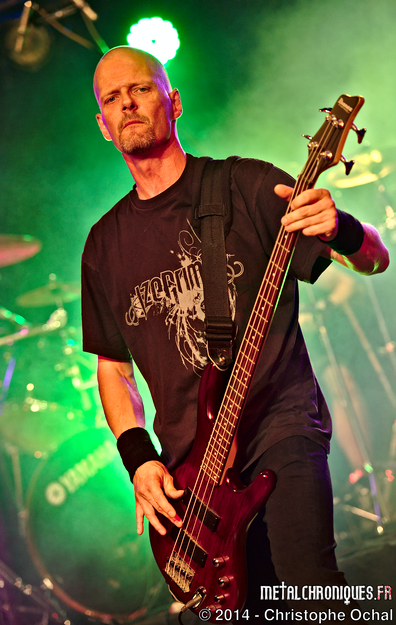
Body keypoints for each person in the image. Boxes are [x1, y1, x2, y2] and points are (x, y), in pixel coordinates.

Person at [81, 46, 389, 623]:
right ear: (103, 124)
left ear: (173, 102)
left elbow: (376, 259)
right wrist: (140, 460)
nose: (128, 104)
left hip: (280, 423)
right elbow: (112, 368)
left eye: (141, 89)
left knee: (312, 592)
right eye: (112, 98)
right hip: (193, 476)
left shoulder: (244, 184)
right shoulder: (104, 245)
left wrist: (343, 228)